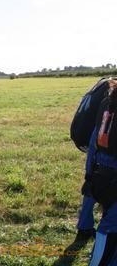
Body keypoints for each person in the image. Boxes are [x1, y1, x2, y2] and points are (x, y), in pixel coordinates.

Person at [84, 79, 117, 265]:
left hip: (102, 178)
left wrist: (90, 177)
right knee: (109, 229)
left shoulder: (107, 100)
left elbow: (93, 143)